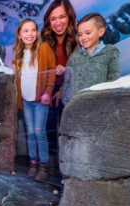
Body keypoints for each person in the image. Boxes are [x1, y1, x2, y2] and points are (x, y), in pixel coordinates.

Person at [13, 18, 56, 181]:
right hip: (25, 100)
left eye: (33, 30)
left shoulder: (43, 48)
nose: (30, 34)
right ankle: (33, 163)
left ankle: (44, 166)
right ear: (19, 34)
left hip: (40, 100)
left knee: (39, 132)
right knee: (30, 133)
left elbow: (51, 70)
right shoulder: (18, 52)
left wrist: (48, 92)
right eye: (26, 30)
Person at [41, 0, 77, 151]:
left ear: (69, 17)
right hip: (48, 89)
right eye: (53, 19)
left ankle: (67, 166)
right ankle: (49, 165)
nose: (58, 23)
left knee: (69, 129)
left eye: (62, 17)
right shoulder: (44, 40)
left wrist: (63, 89)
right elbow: (36, 68)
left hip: (71, 90)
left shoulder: (79, 37)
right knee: (48, 128)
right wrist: (51, 69)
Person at [61, 13, 120, 105]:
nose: (83, 38)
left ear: (101, 32)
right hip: (76, 106)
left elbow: (114, 79)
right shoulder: (74, 56)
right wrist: (66, 102)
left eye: (88, 33)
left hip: (100, 106)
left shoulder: (110, 52)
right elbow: (67, 82)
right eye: (80, 35)